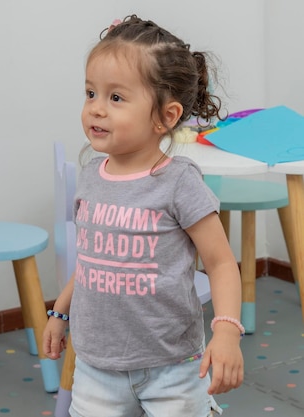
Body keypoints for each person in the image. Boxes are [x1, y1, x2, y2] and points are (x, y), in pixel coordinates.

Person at [43, 15, 244, 417]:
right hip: (97, 367)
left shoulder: (179, 183)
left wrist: (226, 332)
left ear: (165, 117)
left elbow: (221, 263)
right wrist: (61, 310)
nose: (96, 109)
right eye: (90, 93)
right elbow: (92, 258)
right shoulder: (90, 178)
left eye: (115, 98)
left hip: (173, 369)